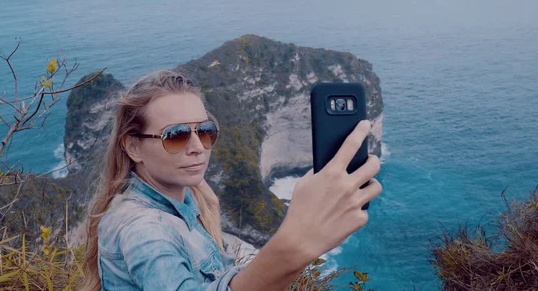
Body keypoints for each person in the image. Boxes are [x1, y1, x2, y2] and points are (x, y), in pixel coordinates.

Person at [80, 70, 382, 291]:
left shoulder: (184, 204)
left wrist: (211, 217)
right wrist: (297, 242)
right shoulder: (146, 232)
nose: (198, 146)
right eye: (176, 135)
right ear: (132, 146)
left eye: (205, 130)